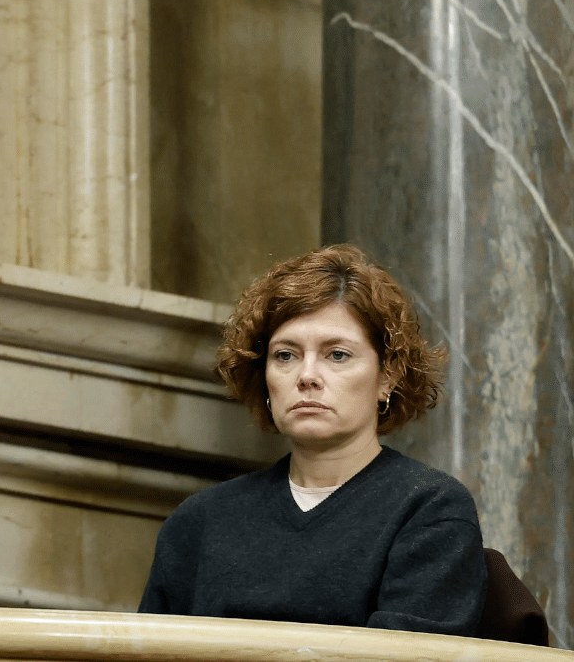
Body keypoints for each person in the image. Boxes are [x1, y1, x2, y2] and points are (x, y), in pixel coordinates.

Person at [138, 244, 487, 636]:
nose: (307, 376)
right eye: (285, 355)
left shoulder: (428, 509)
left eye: (337, 355)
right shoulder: (199, 522)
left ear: (387, 376)